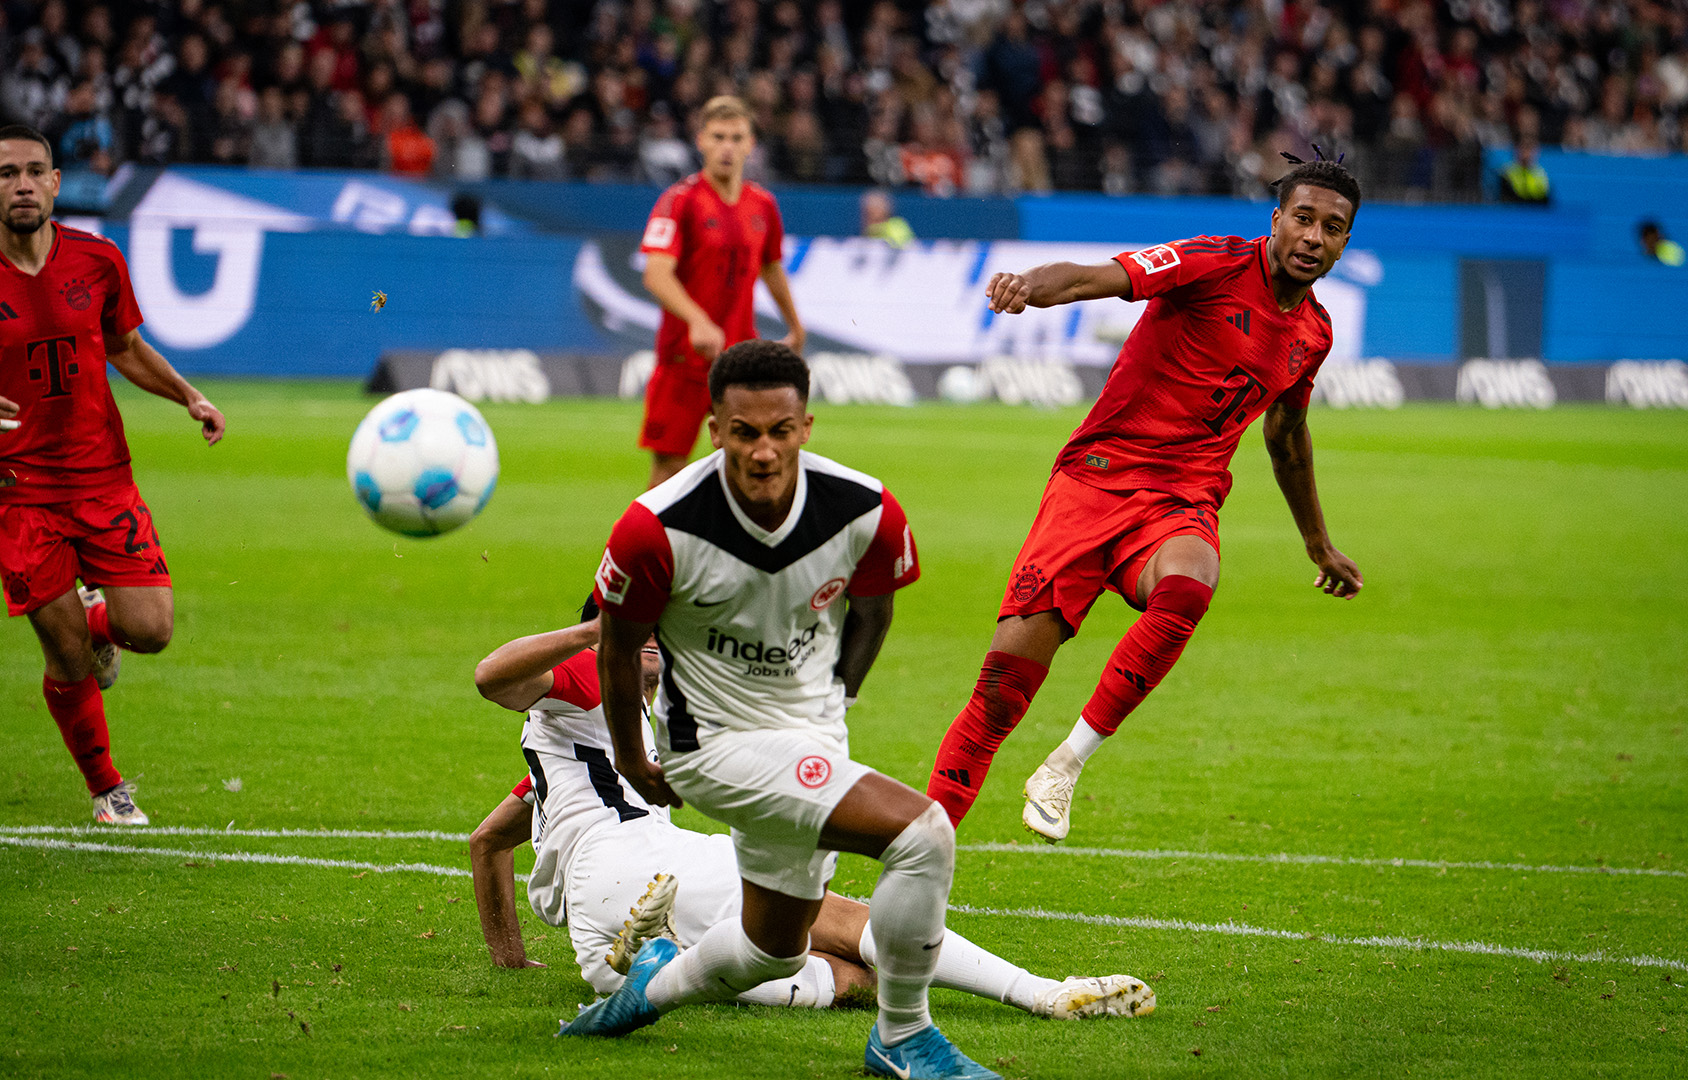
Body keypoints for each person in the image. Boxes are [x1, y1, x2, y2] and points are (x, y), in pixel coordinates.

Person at [563, 342, 998, 1080]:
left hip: (811, 738)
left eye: (780, 431)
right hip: (711, 747)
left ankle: (652, 985)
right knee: (922, 835)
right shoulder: (655, 528)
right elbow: (616, 647)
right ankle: (902, 1038)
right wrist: (635, 757)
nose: (763, 451)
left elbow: (874, 613)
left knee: (774, 948)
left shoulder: (865, 508)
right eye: (744, 432)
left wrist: (838, 699)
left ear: (806, 425)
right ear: (714, 431)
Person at [925, 151, 1366, 842]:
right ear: (1276, 220)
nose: (1314, 238)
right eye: (1303, 220)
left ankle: (1066, 763)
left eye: (1333, 228)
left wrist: (1318, 543)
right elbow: (1098, 276)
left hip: (1179, 502)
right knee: (1000, 696)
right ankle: (916, 867)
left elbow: (1288, 438)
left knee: (1191, 583)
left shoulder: (1313, 334)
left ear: (1345, 242)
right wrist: (1028, 286)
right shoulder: (1214, 262)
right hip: (1094, 481)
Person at [466, 602, 1155, 1022]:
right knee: (836, 913)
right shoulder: (590, 678)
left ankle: (651, 972)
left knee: (854, 978)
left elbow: (489, 842)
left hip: (601, 932)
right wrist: (595, 631)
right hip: (648, 866)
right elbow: (491, 677)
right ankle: (1043, 994)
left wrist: (511, 965)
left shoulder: (580, 757)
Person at [0, 126, 227, 826]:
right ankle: (107, 789)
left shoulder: (98, 259)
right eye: (6, 174)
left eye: (34, 171)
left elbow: (126, 347)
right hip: (16, 490)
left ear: (55, 182)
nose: (21, 184)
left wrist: (188, 396)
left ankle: (100, 621)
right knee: (65, 650)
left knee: (152, 629)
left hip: (101, 475)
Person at [637, 96, 807, 491]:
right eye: (718, 137)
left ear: (751, 144)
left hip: (739, 359)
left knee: (755, 460)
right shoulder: (680, 201)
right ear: (701, 141)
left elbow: (771, 266)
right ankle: (657, 550)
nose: (727, 147)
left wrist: (796, 326)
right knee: (669, 472)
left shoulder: (762, 204)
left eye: (736, 137)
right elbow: (655, 274)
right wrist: (697, 320)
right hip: (684, 358)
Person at [1497, 138, 1550, 205]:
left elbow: (1545, 198)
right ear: (1516, 151)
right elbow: (1508, 198)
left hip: (1534, 212)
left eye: (1529, 150)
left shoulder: (1540, 173)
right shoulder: (1506, 172)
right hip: (1515, 212)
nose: (1526, 154)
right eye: (1523, 149)